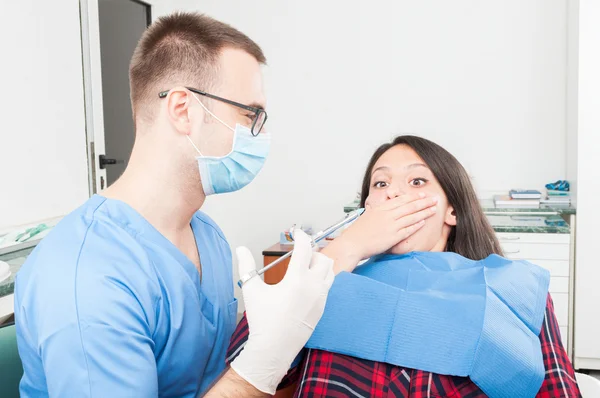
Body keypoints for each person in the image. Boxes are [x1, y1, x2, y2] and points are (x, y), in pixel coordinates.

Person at [13, 14, 438, 397]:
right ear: (183, 109)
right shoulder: (87, 278)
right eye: (250, 115)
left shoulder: (207, 236)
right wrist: (258, 368)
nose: (261, 134)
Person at [227, 135, 582, 397]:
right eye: (380, 183)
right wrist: (346, 249)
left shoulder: (513, 287)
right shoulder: (326, 281)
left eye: (417, 181)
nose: (393, 193)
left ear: (452, 210)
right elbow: (243, 372)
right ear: (365, 207)